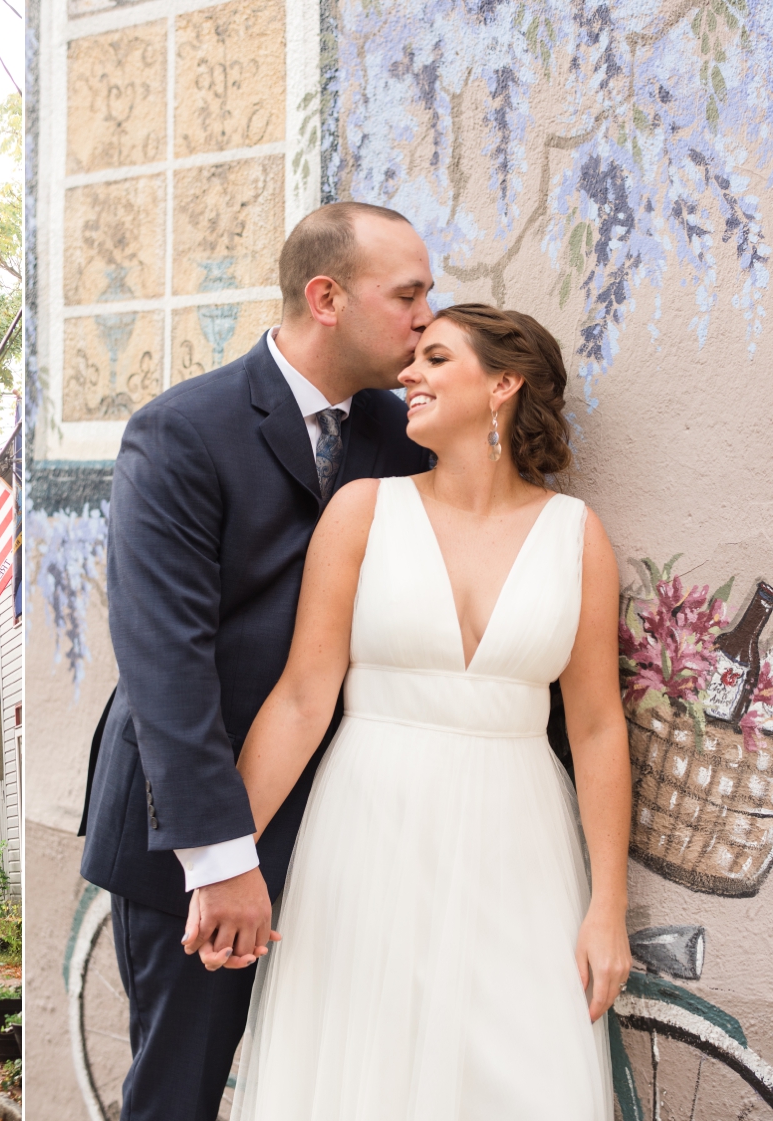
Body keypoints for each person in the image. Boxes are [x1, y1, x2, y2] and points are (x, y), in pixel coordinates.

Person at [225, 305, 630, 1118]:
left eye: (436, 357)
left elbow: (595, 727)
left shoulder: (574, 533)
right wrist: (222, 860)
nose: (407, 372)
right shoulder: (364, 511)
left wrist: (608, 906)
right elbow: (305, 698)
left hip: (521, 855)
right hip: (371, 835)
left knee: (528, 1082)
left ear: (503, 384)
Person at [79, 201, 436, 1121]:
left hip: (345, 829)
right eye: (408, 295)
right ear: (326, 297)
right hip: (194, 832)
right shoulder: (182, 433)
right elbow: (166, 664)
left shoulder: (402, 438)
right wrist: (222, 857)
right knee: (180, 1097)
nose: (426, 318)